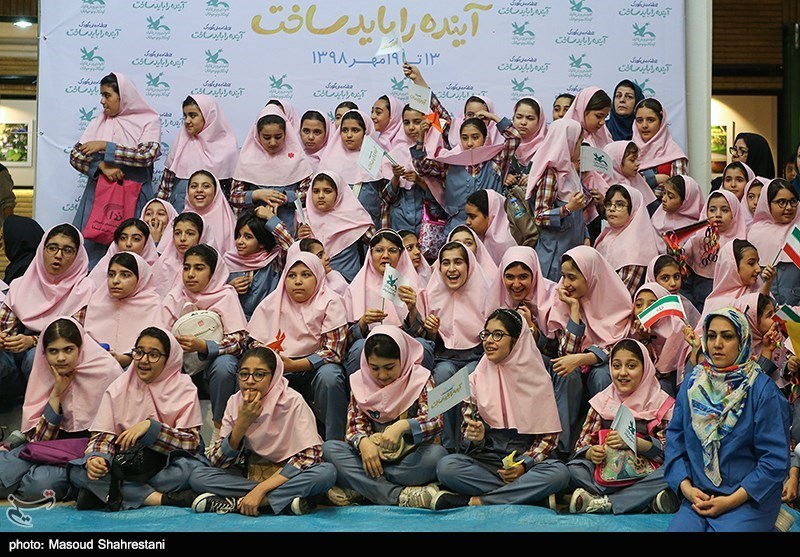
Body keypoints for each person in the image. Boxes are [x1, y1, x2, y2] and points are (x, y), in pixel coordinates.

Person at [664, 307, 790, 532]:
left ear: (742, 341)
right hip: (700, 496)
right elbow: (675, 440)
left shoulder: (761, 390)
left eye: (727, 336)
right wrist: (687, 490)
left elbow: (774, 460)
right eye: (711, 336)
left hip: (748, 498)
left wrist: (730, 501)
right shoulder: (693, 385)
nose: (717, 344)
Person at [431, 309, 569, 510]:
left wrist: (523, 465)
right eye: (486, 334)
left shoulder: (538, 379)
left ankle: (477, 501)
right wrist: (476, 438)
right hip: (487, 460)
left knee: (559, 473)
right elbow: (467, 439)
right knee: (447, 467)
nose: (488, 341)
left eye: (498, 335)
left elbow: (548, 439)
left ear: (517, 341)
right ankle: (532, 497)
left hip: (525, 460)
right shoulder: (475, 379)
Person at [68, 326, 207, 511]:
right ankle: (161, 499)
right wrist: (97, 459)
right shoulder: (119, 387)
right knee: (79, 472)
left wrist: (152, 429)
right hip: (127, 466)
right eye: (139, 352)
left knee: (188, 471)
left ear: (169, 358)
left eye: (153, 354)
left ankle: (108, 494)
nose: (144, 360)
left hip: (166, 466)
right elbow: (103, 436)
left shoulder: (184, 388)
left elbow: (191, 444)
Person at [189, 347, 337, 516]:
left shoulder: (292, 401)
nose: (250, 381)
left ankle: (243, 502)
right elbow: (217, 461)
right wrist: (242, 425)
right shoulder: (235, 401)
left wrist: (261, 490)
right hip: (249, 472)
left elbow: (311, 457)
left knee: (326, 473)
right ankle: (282, 500)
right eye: (244, 374)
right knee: (198, 476)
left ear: (274, 376)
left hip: (286, 474)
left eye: (259, 374)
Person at [322, 326, 448, 508]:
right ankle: (400, 495)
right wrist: (363, 443)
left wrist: (404, 426)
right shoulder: (360, 382)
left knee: (437, 456)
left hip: (408, 459)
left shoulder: (420, 378)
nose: (382, 375)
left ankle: (362, 487)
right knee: (329, 449)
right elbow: (354, 427)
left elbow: (435, 421)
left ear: (403, 358)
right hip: (371, 458)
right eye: (374, 368)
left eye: (389, 367)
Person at [0, 317, 122, 502]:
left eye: (68, 350)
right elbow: (38, 439)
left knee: (37, 487)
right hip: (44, 447)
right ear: (44, 353)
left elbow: (110, 434)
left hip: (82, 453)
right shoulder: (44, 371)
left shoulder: (106, 371)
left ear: (81, 348)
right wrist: (56, 394)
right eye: (53, 351)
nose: (61, 358)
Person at [567, 338, 677, 515]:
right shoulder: (603, 402)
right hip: (605, 473)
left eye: (631, 366)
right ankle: (642, 501)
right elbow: (581, 444)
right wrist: (591, 452)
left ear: (645, 368)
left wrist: (636, 443)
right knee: (573, 469)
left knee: (674, 470)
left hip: (645, 473)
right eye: (616, 366)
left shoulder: (661, 404)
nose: (623, 373)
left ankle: (606, 502)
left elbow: (670, 451)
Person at [246, 251, 348, 441]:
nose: (298, 281)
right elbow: (254, 343)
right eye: (291, 275)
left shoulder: (331, 301)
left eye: (306, 275)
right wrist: (273, 361)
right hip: (278, 368)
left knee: (331, 376)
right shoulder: (272, 302)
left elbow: (333, 352)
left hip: (315, 369)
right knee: (253, 375)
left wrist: (295, 365)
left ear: (318, 276)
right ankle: (259, 444)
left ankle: (335, 443)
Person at [545, 246, 633, 457]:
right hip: (576, 370)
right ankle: (561, 449)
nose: (565, 283)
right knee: (564, 372)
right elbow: (566, 353)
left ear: (590, 276)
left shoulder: (617, 302)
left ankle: (602, 444)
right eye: (564, 276)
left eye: (572, 277)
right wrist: (574, 309)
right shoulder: (563, 301)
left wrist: (582, 358)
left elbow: (616, 349)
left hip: (601, 367)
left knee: (604, 375)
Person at [69, 72, 161, 268]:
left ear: (123, 97)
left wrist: (106, 147)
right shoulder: (100, 121)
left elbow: (147, 155)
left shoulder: (148, 120)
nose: (102, 101)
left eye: (107, 95)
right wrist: (101, 167)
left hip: (134, 197)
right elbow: (75, 156)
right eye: (101, 95)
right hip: (99, 196)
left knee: (131, 251)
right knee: (91, 254)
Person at [161, 243, 247, 449]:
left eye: (199, 268)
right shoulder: (174, 296)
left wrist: (204, 346)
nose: (191, 274)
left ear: (213, 272)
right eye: (187, 268)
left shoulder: (226, 296)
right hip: (179, 367)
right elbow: (159, 337)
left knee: (225, 364)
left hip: (211, 371)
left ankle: (220, 427)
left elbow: (239, 341)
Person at [0, 224, 95, 401]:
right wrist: (4, 338)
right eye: (52, 248)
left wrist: (32, 341)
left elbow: (74, 336)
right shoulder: (20, 284)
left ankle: (41, 412)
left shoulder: (83, 289)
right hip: (14, 355)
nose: (58, 255)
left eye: (67, 250)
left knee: (36, 357)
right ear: (42, 249)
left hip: (53, 351)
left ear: (78, 256)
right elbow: (5, 325)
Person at [411, 100, 521, 235]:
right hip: (456, 230)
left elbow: (514, 138)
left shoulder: (496, 161)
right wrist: (420, 138)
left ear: (485, 138)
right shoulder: (450, 163)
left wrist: (492, 117)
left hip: (491, 230)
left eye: (475, 137)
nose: (469, 143)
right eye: (464, 138)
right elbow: (422, 167)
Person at [419, 241, 489, 451]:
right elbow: (427, 342)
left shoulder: (485, 292)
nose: (451, 269)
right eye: (446, 263)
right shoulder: (431, 293)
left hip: (477, 358)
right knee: (442, 375)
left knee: (469, 378)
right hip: (444, 358)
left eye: (458, 262)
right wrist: (431, 331)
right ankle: (446, 445)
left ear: (469, 265)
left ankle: (468, 445)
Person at [342, 229, 432, 376]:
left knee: (423, 346)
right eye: (379, 250)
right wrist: (363, 322)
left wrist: (412, 309)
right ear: (370, 254)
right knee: (358, 348)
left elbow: (423, 336)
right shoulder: (355, 289)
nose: (385, 255)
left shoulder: (413, 286)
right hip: (371, 345)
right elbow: (346, 341)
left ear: (401, 254)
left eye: (392, 251)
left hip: (404, 343)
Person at [525, 118, 593, 282]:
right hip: (554, 257)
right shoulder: (551, 174)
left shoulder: (570, 171)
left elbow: (578, 211)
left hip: (572, 251)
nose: (580, 148)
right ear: (568, 143)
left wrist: (586, 236)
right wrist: (567, 208)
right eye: (579, 143)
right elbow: (539, 216)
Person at [229, 104, 313, 235]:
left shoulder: (297, 159)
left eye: (278, 137)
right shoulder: (247, 159)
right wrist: (258, 194)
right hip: (254, 232)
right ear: (257, 136)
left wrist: (285, 198)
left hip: (289, 229)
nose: (273, 142)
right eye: (267, 137)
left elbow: (309, 195)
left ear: (286, 134)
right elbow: (234, 197)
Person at [156, 94, 239, 213]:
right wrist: (159, 210)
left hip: (216, 215)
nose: (187, 121)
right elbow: (166, 186)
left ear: (208, 116)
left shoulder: (228, 145)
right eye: (185, 116)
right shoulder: (181, 142)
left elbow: (233, 191)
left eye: (193, 115)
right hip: (181, 213)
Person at [84, 252, 165, 368]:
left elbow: (155, 348)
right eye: (111, 274)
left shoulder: (152, 305)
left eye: (125, 275)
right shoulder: (97, 301)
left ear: (140, 278)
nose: (115, 280)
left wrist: (125, 359)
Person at [317, 109, 394, 230]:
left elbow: (387, 197)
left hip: (369, 226)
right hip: (337, 227)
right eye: (345, 130)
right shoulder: (329, 160)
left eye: (355, 130)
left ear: (365, 132)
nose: (349, 135)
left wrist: (396, 177)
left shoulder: (378, 159)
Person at [297, 170, 375, 283]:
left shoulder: (354, 217)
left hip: (348, 284)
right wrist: (300, 241)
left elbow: (376, 245)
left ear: (338, 193)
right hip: (315, 284)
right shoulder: (304, 219)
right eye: (316, 191)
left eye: (327, 191)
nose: (321, 196)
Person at [680, 190, 747, 313]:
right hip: (699, 301)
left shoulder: (741, 243)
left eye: (725, 210)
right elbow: (684, 270)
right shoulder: (698, 239)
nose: (718, 215)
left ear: (734, 213)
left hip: (730, 303)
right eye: (712, 210)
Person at [224, 209, 293, 321]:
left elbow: (291, 246)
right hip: (237, 321)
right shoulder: (227, 261)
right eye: (238, 235)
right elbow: (215, 293)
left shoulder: (274, 259)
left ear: (261, 243)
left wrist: (271, 218)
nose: (239, 241)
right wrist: (229, 289)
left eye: (248, 237)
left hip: (268, 320)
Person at [594, 185, 661, 297]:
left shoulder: (636, 249)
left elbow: (623, 297)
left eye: (619, 205)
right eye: (609, 204)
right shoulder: (607, 235)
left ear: (634, 209)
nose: (611, 209)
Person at [484, 245, 556, 346]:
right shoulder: (496, 297)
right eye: (510, 277)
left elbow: (553, 348)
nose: (516, 284)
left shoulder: (552, 296)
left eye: (523, 277)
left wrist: (530, 326)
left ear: (534, 275)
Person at [747, 178, 800, 306]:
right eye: (781, 202)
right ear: (767, 203)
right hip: (764, 307)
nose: (789, 207)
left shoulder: (798, 230)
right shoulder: (755, 233)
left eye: (793, 201)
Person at [632, 282, 688, 397]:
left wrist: (645, 340)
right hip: (638, 377)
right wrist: (642, 338)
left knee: (660, 387)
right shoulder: (631, 328)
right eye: (638, 305)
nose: (643, 310)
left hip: (669, 380)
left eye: (652, 306)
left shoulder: (676, 327)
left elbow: (663, 372)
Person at [632, 98, 688, 198]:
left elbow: (678, 192)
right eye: (639, 120)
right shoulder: (628, 152)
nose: (644, 125)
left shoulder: (674, 154)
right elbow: (624, 186)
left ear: (661, 122)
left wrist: (642, 184)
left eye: (650, 120)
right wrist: (656, 179)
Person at [151, 212, 215, 298]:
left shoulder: (212, 267)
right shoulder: (162, 265)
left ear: (201, 236)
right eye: (177, 233)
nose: (182, 238)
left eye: (190, 233)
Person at [86, 218, 158, 290]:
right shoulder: (103, 268)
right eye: (123, 238)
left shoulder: (155, 272)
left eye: (136, 239)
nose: (128, 244)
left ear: (146, 244)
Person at [183, 169, 237, 258]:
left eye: (206, 186)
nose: (199, 190)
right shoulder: (179, 222)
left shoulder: (228, 224)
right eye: (194, 186)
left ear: (216, 191)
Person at [601, 140, 657, 212]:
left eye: (637, 159)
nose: (637, 163)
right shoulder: (602, 187)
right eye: (632, 160)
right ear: (617, 162)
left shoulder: (637, 180)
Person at [465, 189, 517, 265]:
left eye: (472, 217)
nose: (467, 222)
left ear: (491, 215)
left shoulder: (506, 245)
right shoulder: (475, 239)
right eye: (467, 216)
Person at [504, 97, 548, 189]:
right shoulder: (507, 144)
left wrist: (537, 178)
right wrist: (504, 176)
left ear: (540, 121)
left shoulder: (547, 147)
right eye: (519, 117)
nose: (523, 122)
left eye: (530, 118)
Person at [711, 132, 776, 192]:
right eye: (735, 149)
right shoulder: (719, 185)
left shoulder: (768, 190)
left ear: (755, 156)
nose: (735, 154)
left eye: (742, 151)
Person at [2, 215, 43, 284]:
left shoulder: (25, 269)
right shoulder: (19, 264)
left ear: (14, 238)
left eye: (3, 237)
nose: (2, 246)